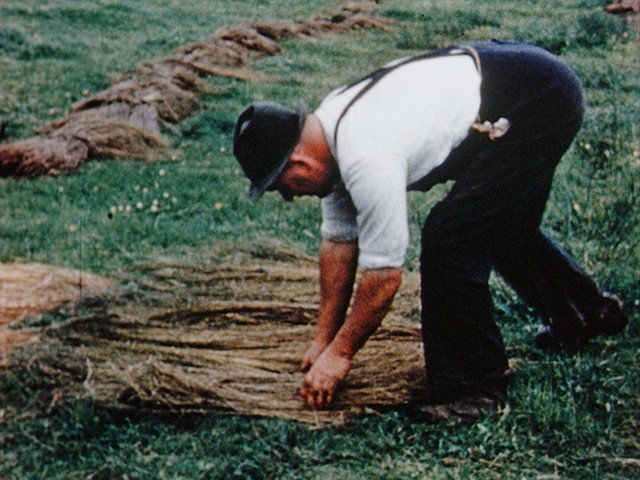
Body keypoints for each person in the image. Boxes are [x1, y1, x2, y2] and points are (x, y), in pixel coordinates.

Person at [231, 40, 628, 421]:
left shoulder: (365, 152)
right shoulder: (328, 135)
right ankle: (587, 314)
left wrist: (341, 355)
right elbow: (338, 244)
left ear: (299, 164)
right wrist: (323, 339)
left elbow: (384, 278)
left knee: (450, 238)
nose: (288, 198)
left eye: (282, 187)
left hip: (538, 97)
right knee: (498, 222)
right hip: (519, 85)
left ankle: (475, 388)